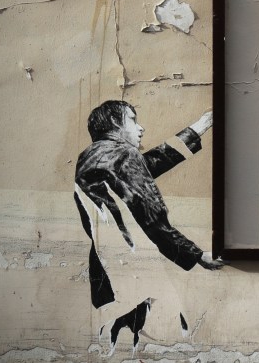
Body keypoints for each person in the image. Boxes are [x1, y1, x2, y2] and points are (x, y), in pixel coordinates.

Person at [73, 100, 222, 353]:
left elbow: (150, 164)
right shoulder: (124, 155)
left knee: (112, 344)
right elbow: (151, 218)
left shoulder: (89, 158)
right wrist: (197, 255)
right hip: (137, 269)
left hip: (105, 269)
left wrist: (201, 126)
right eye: (133, 120)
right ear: (115, 123)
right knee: (161, 342)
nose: (141, 127)